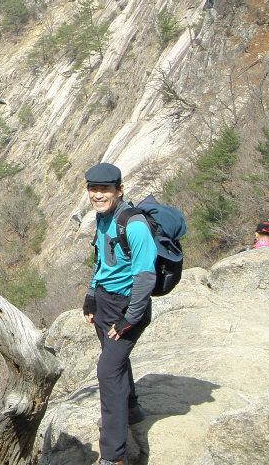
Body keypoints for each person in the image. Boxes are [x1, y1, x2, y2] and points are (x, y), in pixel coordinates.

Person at [82, 162, 157, 465]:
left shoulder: (133, 224)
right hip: (105, 302)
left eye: (105, 189)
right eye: (93, 189)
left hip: (126, 307)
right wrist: (90, 296)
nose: (98, 195)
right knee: (115, 359)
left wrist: (129, 319)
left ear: (119, 189)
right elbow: (101, 260)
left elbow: (145, 277)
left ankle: (114, 456)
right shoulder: (103, 217)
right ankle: (131, 408)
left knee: (108, 370)